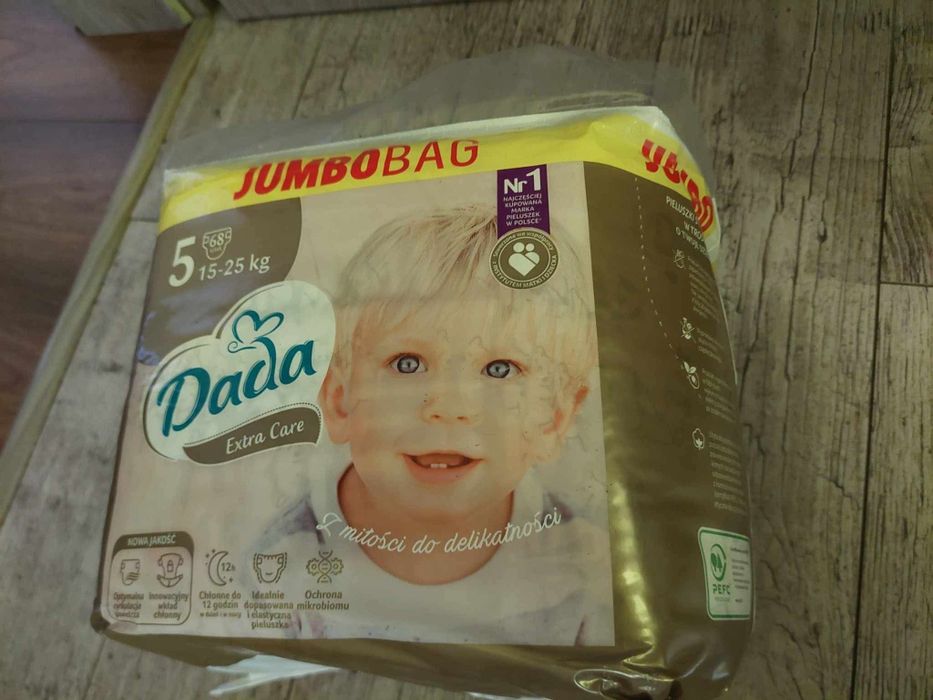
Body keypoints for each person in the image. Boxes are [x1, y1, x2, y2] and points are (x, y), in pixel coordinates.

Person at [254, 205, 614, 645]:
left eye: (500, 369)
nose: (448, 406)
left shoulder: (587, 568)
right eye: (407, 363)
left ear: (553, 420)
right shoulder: (281, 563)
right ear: (339, 400)